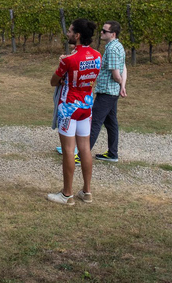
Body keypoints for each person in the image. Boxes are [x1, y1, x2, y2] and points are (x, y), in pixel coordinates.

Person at [47, 19, 101, 205]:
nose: (68, 34)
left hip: (68, 107)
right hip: (86, 105)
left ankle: (66, 194)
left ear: (77, 36)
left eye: (70, 31)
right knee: (84, 148)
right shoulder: (97, 55)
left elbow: (54, 81)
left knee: (69, 150)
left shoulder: (68, 59)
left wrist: (63, 64)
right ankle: (87, 191)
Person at [90, 21, 127, 163]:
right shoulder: (119, 46)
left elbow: (116, 74)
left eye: (104, 31)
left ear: (113, 34)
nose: (101, 33)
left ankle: (82, 155)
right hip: (113, 91)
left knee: (95, 122)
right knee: (111, 123)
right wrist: (122, 86)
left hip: (106, 91)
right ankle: (113, 153)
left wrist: (120, 83)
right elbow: (124, 67)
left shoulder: (111, 49)